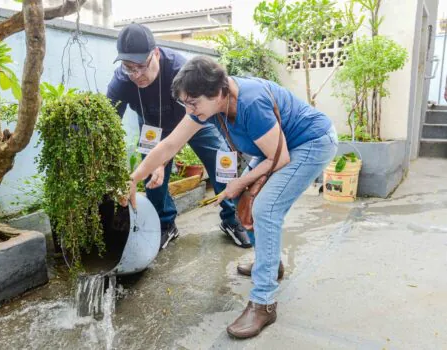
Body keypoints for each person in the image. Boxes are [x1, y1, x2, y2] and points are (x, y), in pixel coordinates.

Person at [124, 56, 338, 339]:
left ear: (219, 92)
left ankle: (263, 302)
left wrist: (240, 183)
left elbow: (281, 157)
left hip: (311, 142)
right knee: (242, 203)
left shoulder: (250, 102)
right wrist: (134, 177)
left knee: (265, 209)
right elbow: (170, 144)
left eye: (193, 103)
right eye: (185, 103)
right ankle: (270, 265)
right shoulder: (206, 107)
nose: (189, 110)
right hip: (274, 149)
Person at [107, 23, 250, 250]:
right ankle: (166, 224)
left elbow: (179, 135)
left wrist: (162, 161)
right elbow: (109, 121)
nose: (136, 75)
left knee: (223, 161)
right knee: (151, 176)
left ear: (155, 53)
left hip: (194, 120)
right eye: (128, 68)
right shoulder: (122, 81)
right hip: (153, 128)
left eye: (141, 67)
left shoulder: (178, 70)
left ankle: (232, 219)